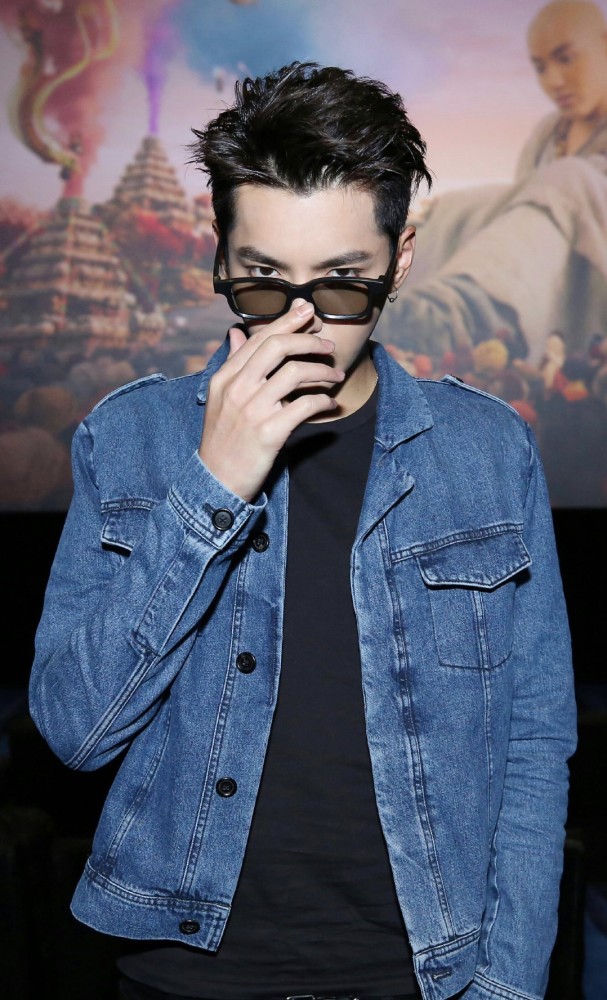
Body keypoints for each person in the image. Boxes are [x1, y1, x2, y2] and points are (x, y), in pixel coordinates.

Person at [29, 61, 576, 1000]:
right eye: (261, 281)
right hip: (185, 976)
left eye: (342, 285)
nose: (299, 323)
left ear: (400, 259)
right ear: (219, 257)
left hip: (424, 973)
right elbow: (76, 733)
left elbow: (532, 742)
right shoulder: (129, 439)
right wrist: (212, 487)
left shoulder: (487, 451)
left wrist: (508, 983)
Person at [389, 0, 607, 365]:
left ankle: (464, 315)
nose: (554, 81)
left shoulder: (569, 175)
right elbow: (522, 230)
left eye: (566, 58)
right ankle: (397, 297)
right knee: (461, 206)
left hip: (592, 298)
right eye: (541, 67)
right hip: (549, 291)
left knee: (568, 178)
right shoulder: (548, 134)